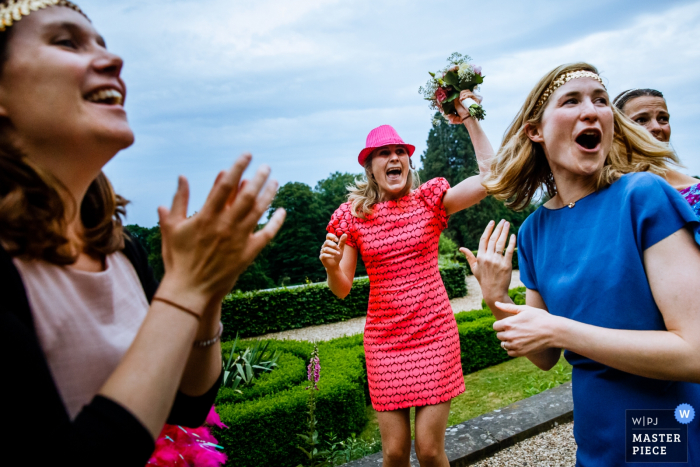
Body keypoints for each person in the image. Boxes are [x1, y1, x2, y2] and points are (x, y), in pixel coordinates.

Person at [0, 2, 285, 466]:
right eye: (66, 41)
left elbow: (187, 404)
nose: (114, 61)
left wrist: (208, 293)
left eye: (104, 45)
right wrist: (184, 289)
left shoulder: (117, 247)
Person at [461, 63, 700, 466]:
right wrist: (495, 296)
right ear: (535, 130)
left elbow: (694, 353)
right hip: (595, 444)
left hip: (665, 435)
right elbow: (543, 355)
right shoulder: (536, 229)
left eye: (601, 101)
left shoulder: (643, 197)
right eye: (571, 100)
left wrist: (559, 328)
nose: (591, 110)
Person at [320, 120, 493, 467]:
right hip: (385, 345)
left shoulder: (430, 202)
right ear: (370, 168)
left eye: (400, 151)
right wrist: (331, 267)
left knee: (429, 451)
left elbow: (489, 180)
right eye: (384, 153)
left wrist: (471, 116)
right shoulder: (354, 217)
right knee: (395, 453)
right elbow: (341, 289)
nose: (394, 157)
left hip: (434, 335)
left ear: (408, 163)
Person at [614, 88, 699, 217]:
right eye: (641, 120)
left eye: (663, 118)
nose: (657, 127)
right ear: (617, 131)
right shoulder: (605, 190)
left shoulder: (696, 192)